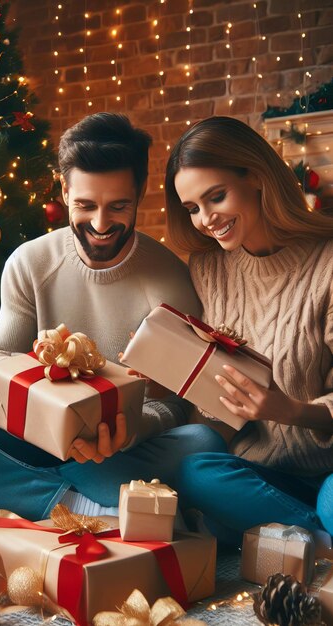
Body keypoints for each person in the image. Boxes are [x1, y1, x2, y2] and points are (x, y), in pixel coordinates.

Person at [0, 113, 226, 522]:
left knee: (203, 441)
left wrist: (131, 427)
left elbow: (177, 405)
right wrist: (43, 390)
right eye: (85, 205)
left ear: (141, 192)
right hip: (33, 437)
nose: (100, 224)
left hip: (118, 453)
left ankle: (7, 490)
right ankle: (76, 504)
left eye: (118, 206)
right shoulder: (30, 263)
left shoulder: (169, 281)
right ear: (64, 190)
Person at [163, 116, 333, 547]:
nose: (205, 220)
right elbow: (214, 401)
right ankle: (313, 539)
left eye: (215, 197)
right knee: (196, 472)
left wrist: (288, 410)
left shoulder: (327, 264)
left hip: (328, 470)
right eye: (192, 208)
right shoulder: (208, 269)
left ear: (256, 176)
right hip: (259, 471)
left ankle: (286, 537)